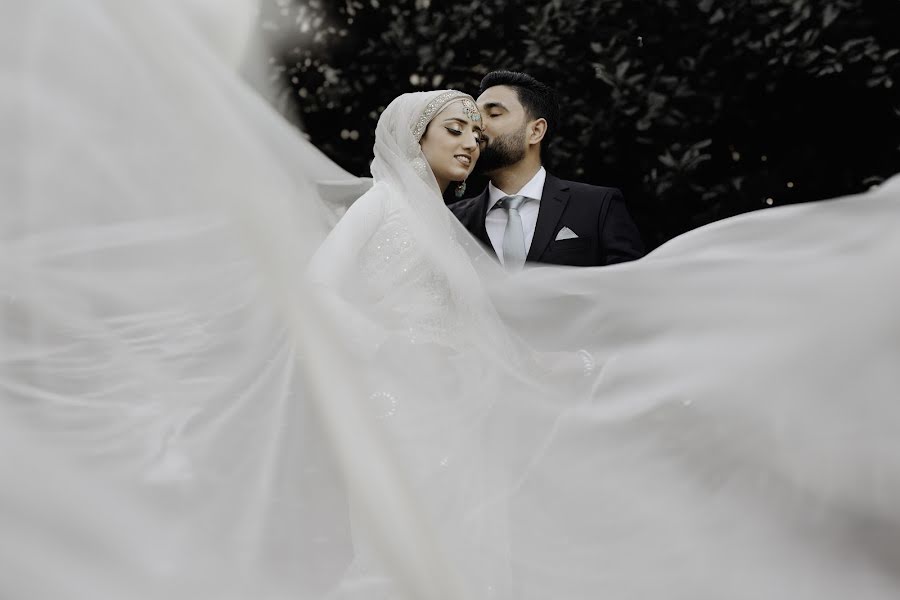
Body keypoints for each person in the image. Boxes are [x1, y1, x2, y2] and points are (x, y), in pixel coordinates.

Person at [4, 2, 900, 600]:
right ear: (414, 136)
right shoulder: (388, 207)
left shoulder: (443, 225)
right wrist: (393, 359)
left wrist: (542, 364)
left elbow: (484, 322)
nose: (472, 142)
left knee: (469, 551)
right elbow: (320, 296)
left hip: (460, 411)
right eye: (457, 128)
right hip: (403, 404)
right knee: (402, 551)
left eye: (479, 128)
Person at [450, 71, 646, 268]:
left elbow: (629, 289)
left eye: (494, 114)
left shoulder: (598, 206)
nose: (477, 125)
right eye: (475, 116)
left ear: (535, 131)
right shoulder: (452, 221)